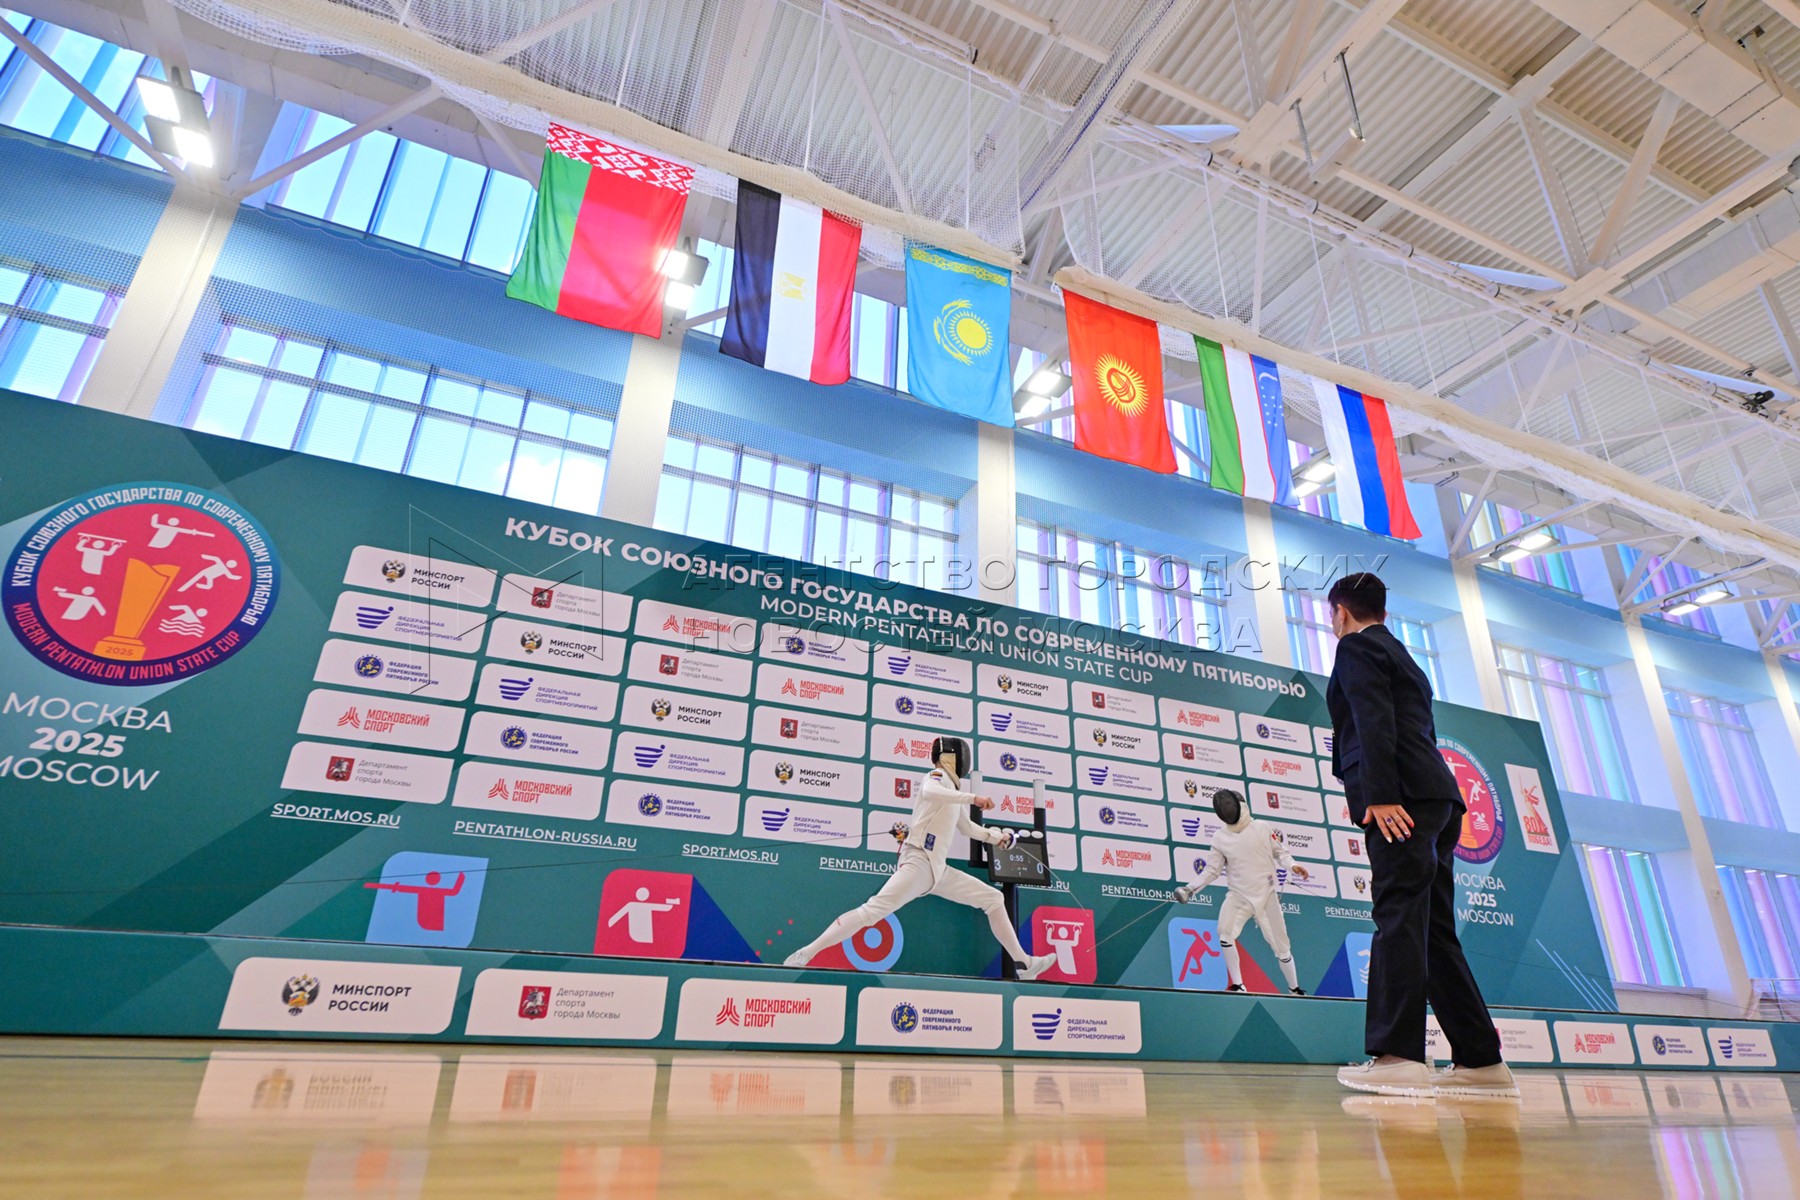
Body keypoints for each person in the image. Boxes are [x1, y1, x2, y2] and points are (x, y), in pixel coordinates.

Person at [1324, 572, 1517, 1098]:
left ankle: (1398, 1056)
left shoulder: (1356, 647)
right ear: (1384, 612)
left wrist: (1380, 794)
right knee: (1433, 931)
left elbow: (1371, 719)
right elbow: (1415, 730)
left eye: (1332, 615)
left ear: (1341, 612)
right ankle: (1481, 1061)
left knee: (1397, 918)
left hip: (1402, 799)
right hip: (1439, 801)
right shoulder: (1406, 658)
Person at [785, 736, 1057, 979]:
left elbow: (967, 828)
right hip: (918, 861)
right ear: (951, 757)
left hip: (937, 870)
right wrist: (972, 797)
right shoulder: (937, 777)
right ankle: (805, 954)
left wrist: (997, 838)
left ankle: (1025, 964)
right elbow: (929, 791)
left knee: (993, 899)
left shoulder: (952, 791)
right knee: (871, 912)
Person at [1171, 788, 1310, 995]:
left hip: (1267, 896)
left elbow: (1280, 852)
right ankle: (1238, 985)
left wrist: (1293, 866)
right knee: (1224, 932)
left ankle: (1294, 988)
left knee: (1282, 946)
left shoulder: (1261, 827)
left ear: (1241, 805)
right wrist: (1190, 888)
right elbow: (1212, 870)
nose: (1226, 810)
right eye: (1223, 807)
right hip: (1239, 895)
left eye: (1229, 805)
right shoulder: (1220, 837)